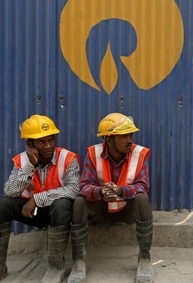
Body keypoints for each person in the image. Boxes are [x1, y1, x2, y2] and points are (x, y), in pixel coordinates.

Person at [0, 115, 81, 283]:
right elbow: (10, 192)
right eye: (41, 142)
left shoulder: (68, 158)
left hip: (57, 213)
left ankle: (56, 268)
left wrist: (38, 199)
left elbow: (74, 189)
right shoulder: (22, 161)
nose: (48, 146)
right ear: (29, 144)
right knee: (3, 205)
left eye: (51, 140)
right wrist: (29, 167)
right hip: (31, 212)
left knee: (62, 204)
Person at [68, 112, 154, 283]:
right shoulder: (94, 154)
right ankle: (79, 262)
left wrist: (121, 191)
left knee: (142, 199)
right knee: (78, 202)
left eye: (130, 135)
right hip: (101, 210)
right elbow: (84, 186)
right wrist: (100, 192)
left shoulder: (138, 153)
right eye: (123, 136)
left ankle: (144, 259)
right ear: (108, 139)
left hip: (127, 209)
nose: (129, 139)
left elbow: (142, 186)